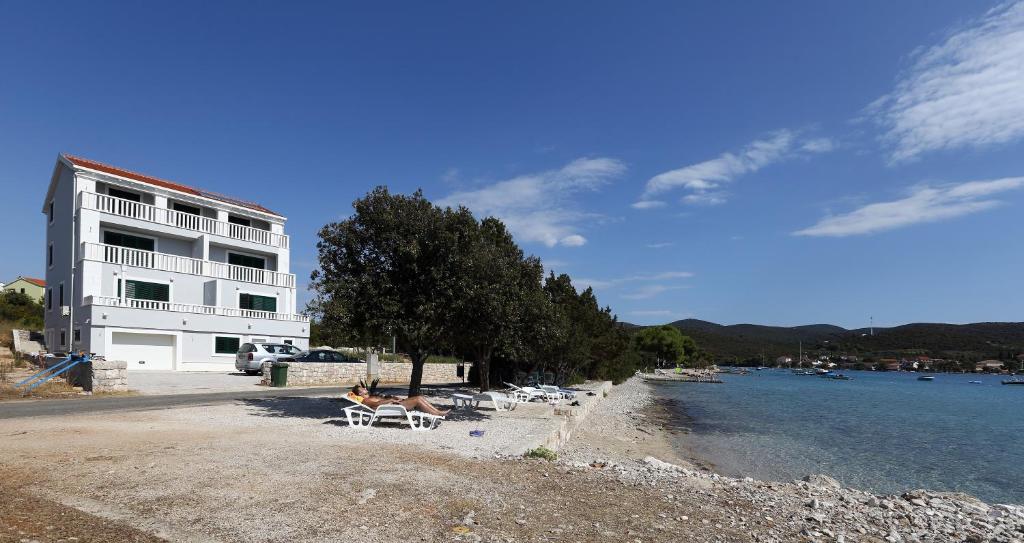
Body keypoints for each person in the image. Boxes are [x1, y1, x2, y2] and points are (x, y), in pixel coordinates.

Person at [347, 385, 449, 417]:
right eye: (362, 389)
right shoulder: (366, 400)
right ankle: (438, 413)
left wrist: (392, 398)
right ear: (359, 393)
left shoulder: (370, 397)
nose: (365, 388)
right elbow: (376, 404)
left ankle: (437, 412)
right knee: (418, 399)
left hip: (394, 405)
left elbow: (380, 400)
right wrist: (391, 400)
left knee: (420, 397)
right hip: (393, 407)